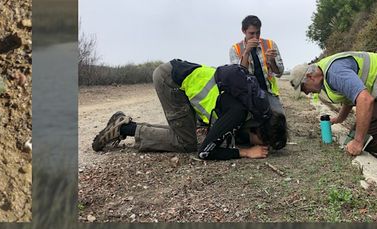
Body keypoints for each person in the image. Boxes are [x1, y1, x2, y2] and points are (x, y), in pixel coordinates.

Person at [92, 60, 287, 161]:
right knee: (185, 143)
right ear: (258, 129)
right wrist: (246, 153)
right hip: (169, 80)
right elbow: (205, 153)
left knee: (184, 131)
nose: (264, 147)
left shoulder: (254, 105)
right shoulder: (237, 114)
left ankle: (125, 125)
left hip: (178, 74)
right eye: (264, 142)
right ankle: (123, 129)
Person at [291, 51, 377, 161]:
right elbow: (349, 96)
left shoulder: (334, 73)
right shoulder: (325, 71)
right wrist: (340, 118)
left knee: (368, 138)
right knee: (362, 133)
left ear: (310, 77)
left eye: (303, 88)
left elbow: (365, 100)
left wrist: (358, 141)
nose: (306, 93)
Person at [230, 15, 285, 119]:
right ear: (243, 31)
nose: (255, 37)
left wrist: (271, 60)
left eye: (258, 32)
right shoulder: (235, 49)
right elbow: (238, 75)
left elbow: (279, 73)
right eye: (251, 33)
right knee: (253, 126)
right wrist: (246, 52)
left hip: (269, 93)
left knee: (279, 122)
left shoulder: (270, 44)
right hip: (248, 96)